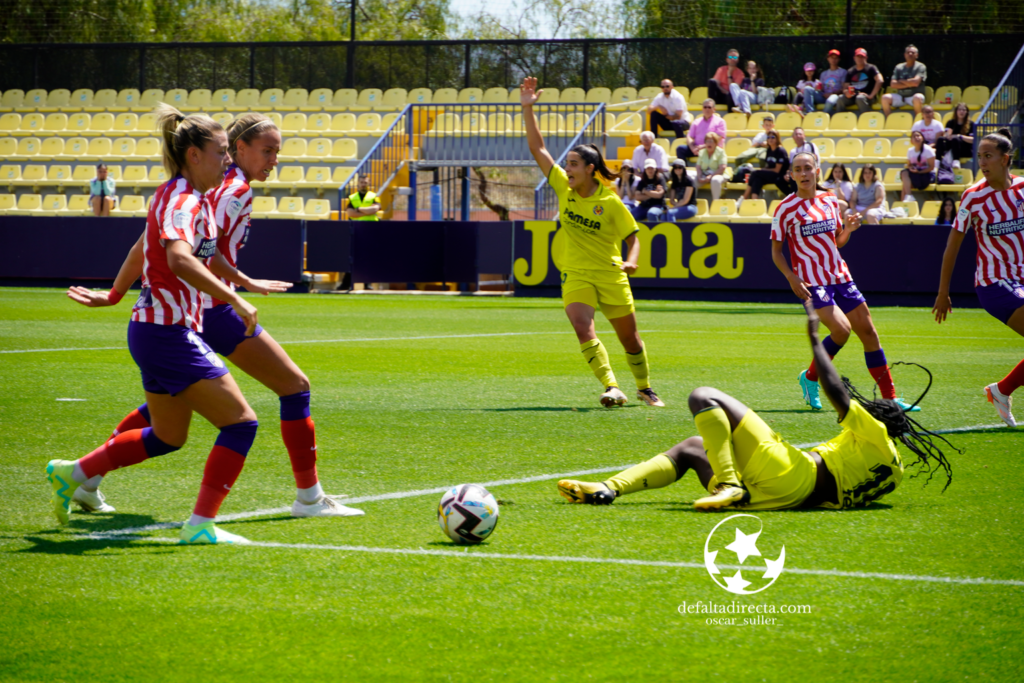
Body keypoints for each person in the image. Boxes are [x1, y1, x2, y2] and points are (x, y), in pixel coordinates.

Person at [66, 113, 363, 520]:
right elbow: (189, 254)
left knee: (169, 409)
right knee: (292, 388)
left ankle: (86, 478)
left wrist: (242, 280)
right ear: (239, 148)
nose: (274, 160)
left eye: (277, 151)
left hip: (195, 310)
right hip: (209, 311)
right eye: (267, 150)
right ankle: (308, 499)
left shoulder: (204, 187)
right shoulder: (229, 190)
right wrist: (236, 292)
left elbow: (162, 245)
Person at [46, 105, 263, 544]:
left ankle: (75, 473)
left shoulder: (178, 195)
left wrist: (114, 295)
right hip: (167, 333)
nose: (227, 160)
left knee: (168, 435)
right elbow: (179, 259)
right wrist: (234, 297)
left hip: (153, 331)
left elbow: (140, 249)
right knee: (241, 423)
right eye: (221, 151)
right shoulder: (184, 200)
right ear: (194, 156)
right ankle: (200, 527)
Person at [557, 300, 953, 512]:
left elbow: (837, 391)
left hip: (795, 472)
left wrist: (815, 339)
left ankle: (728, 483)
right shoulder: (894, 473)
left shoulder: (877, 433)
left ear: (883, 420)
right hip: (780, 500)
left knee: (703, 396)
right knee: (693, 448)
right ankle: (608, 489)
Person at [521, 76, 664, 408]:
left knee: (630, 339)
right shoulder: (563, 186)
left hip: (611, 273)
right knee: (582, 326)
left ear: (589, 169)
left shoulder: (610, 202)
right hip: (576, 272)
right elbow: (538, 149)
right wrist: (527, 108)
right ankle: (612, 386)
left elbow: (633, 238)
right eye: (566, 164)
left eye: (573, 164)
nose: (566, 169)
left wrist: (632, 260)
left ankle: (644, 388)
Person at [772, 152, 919, 412]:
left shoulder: (830, 199)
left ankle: (890, 398)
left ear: (817, 171)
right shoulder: (785, 208)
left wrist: (848, 230)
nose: (804, 173)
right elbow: (776, 252)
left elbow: (837, 241)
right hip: (812, 282)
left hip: (840, 276)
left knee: (869, 333)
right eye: (798, 169)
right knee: (841, 330)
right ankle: (811, 378)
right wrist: (791, 276)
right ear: (792, 174)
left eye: (808, 168)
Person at [933, 128, 1024, 428]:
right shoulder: (973, 197)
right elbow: (952, 246)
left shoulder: (1022, 188)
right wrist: (943, 292)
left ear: (1005, 159)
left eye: (988, 156)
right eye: (979, 156)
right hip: (994, 284)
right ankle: (1002, 390)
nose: (982, 162)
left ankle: (1001, 390)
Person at [742, 131, 791, 201]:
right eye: (768, 137)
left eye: (773, 137)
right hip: (771, 175)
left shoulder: (780, 150)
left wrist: (761, 171)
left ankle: (744, 197)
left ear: (777, 139)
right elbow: (769, 166)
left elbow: (777, 170)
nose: (770, 139)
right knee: (757, 179)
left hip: (780, 176)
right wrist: (762, 170)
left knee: (755, 173)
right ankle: (754, 202)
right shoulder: (769, 150)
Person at [881, 45, 927, 117]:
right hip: (901, 97)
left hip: (914, 97)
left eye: (912, 52)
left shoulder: (920, 66)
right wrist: (910, 83)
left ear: (917, 55)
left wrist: (901, 81)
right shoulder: (898, 67)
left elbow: (915, 83)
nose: (910, 54)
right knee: (885, 98)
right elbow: (893, 84)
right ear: (904, 55)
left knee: (917, 98)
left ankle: (918, 121)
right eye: (908, 52)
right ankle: (890, 120)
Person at [836, 48, 883, 114]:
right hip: (853, 96)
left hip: (867, 97)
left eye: (862, 57)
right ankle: (840, 118)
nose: (860, 59)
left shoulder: (871, 68)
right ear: (854, 58)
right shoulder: (850, 71)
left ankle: (865, 118)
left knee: (860, 98)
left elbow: (880, 80)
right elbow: (845, 87)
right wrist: (846, 92)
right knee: (840, 98)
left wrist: (871, 95)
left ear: (866, 58)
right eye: (858, 56)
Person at [900, 130, 936, 203]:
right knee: (904, 173)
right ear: (911, 141)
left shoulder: (928, 150)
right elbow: (909, 165)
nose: (917, 137)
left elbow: (931, 167)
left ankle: (905, 202)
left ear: (922, 138)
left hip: (927, 175)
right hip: (916, 174)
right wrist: (911, 168)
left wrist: (919, 172)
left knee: (905, 185)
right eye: (914, 136)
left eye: (918, 136)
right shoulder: (910, 151)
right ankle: (908, 197)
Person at [935, 103, 974, 169]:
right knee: (940, 139)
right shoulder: (950, 122)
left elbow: (973, 140)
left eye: (964, 110)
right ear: (956, 111)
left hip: (964, 149)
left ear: (967, 112)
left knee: (955, 139)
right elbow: (946, 135)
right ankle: (937, 161)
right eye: (959, 110)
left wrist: (960, 136)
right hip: (951, 147)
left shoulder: (971, 124)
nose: (961, 112)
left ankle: (956, 161)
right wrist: (948, 135)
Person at [696, 132, 728, 202]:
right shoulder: (701, 152)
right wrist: (699, 176)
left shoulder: (721, 152)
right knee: (691, 179)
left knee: (715, 180)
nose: (709, 143)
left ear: (716, 143)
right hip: (704, 174)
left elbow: (722, 168)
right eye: (707, 141)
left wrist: (711, 176)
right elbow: (698, 167)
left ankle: (715, 203)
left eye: (711, 141)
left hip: (718, 174)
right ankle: (691, 202)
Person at [815, 49, 848, 114]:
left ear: (839, 59)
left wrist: (832, 93)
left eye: (836, 58)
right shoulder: (823, 73)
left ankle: (823, 117)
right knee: (808, 89)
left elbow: (844, 88)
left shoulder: (843, 72)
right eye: (832, 58)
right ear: (828, 59)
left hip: (835, 96)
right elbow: (821, 88)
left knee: (830, 101)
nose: (833, 60)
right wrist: (817, 88)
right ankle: (809, 113)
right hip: (824, 96)